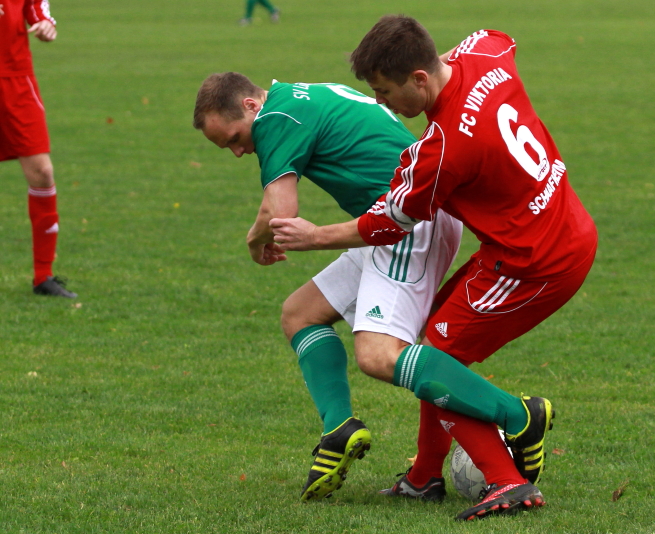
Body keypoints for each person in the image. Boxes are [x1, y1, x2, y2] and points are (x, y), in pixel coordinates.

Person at [270, 15, 598, 521]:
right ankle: (423, 478)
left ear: (419, 78)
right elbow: (499, 36)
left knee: (434, 358)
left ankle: (511, 462)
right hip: (553, 229)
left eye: (385, 91)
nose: (383, 104)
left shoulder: (441, 149)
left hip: (535, 262)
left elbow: (384, 224)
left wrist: (314, 237)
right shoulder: (484, 54)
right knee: (433, 350)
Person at [192, 72, 464, 504]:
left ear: (250, 106)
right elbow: (275, 205)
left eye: (235, 139)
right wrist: (259, 234)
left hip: (409, 222)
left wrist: (254, 241)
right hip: (383, 222)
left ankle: (515, 415)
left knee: (378, 356)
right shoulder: (297, 97)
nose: (239, 152)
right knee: (299, 314)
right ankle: (340, 428)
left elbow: (281, 213)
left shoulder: (276, 118)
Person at [0, 0, 76, 298]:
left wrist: (44, 22)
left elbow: (35, 8)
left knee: (42, 172)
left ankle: (43, 276)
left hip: (16, 78)